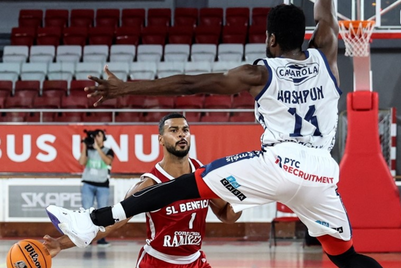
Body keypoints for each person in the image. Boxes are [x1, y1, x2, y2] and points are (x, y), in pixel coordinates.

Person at [46, 1, 383, 267]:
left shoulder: (259, 74)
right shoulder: (326, 54)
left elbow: (188, 84)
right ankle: (90, 223)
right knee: (346, 257)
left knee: (189, 182)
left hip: (281, 162)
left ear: (270, 39)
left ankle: (91, 222)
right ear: (306, 34)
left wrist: (125, 89)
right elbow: (327, 13)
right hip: (322, 173)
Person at [44, 113, 241, 267]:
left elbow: (227, 216)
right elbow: (111, 224)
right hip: (157, 262)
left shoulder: (204, 174)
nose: (182, 134)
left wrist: (246, 198)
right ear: (161, 140)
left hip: (195, 261)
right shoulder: (149, 184)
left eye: (185, 130)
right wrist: (61, 244)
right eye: (174, 130)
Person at [79, 129, 114, 247]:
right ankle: (87, 238)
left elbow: (108, 161)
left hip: (102, 184)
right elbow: (82, 162)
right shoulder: (88, 150)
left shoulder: (108, 151)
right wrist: (85, 146)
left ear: (104, 138)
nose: (96, 138)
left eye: (98, 136)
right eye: (95, 136)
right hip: (88, 183)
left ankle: (101, 239)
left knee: (103, 212)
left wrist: (98, 148)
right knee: (86, 212)